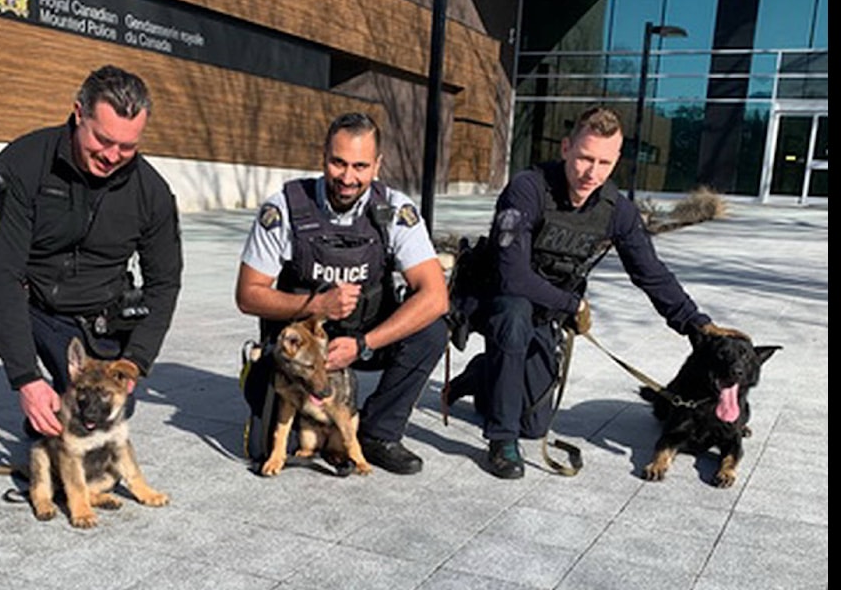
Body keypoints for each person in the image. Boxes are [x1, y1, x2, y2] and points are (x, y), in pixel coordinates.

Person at [0, 64, 183, 553]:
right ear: (78, 115)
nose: (114, 157)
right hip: (10, 297)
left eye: (128, 146)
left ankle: (46, 434)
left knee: (107, 408)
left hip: (84, 319)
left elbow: (165, 282)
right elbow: (2, 274)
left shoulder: (152, 193)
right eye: (103, 141)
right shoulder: (22, 163)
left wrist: (134, 360)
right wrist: (24, 377)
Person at [444, 105, 742, 479]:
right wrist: (573, 304)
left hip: (546, 310)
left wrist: (696, 324)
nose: (591, 173)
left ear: (616, 161)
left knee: (534, 424)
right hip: (496, 299)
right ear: (567, 147)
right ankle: (501, 440)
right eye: (585, 158)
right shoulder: (528, 188)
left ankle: (481, 375)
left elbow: (651, 274)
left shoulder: (617, 210)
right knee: (514, 314)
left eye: (604, 162)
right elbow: (512, 278)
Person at [235, 112, 449, 475]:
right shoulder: (285, 207)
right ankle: (287, 404)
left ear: (377, 165)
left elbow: (435, 296)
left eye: (361, 166)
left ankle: (378, 433)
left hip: (365, 335)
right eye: (338, 163)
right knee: (261, 448)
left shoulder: (395, 210)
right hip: (298, 351)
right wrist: (314, 304)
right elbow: (247, 295)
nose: (348, 177)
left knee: (432, 331)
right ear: (323, 156)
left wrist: (364, 343)